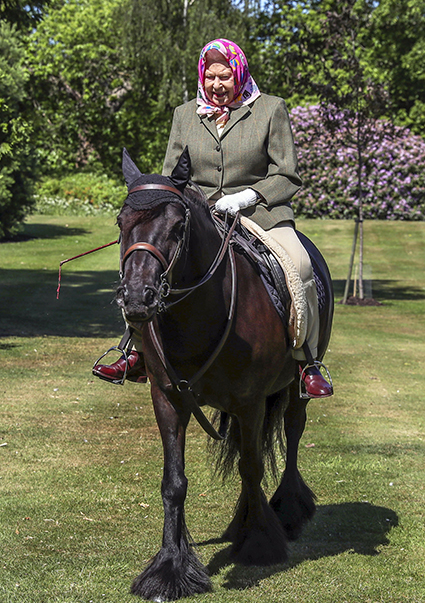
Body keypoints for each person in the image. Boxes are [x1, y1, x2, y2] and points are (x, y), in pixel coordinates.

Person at [93, 38, 332, 399]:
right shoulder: (184, 114)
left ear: (239, 73)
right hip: (198, 214)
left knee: (299, 265)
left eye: (225, 77)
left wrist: (248, 197)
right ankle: (137, 351)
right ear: (202, 76)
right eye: (211, 77)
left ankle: (306, 361)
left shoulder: (270, 109)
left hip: (260, 212)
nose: (217, 85)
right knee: (145, 264)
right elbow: (172, 175)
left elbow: (287, 174)